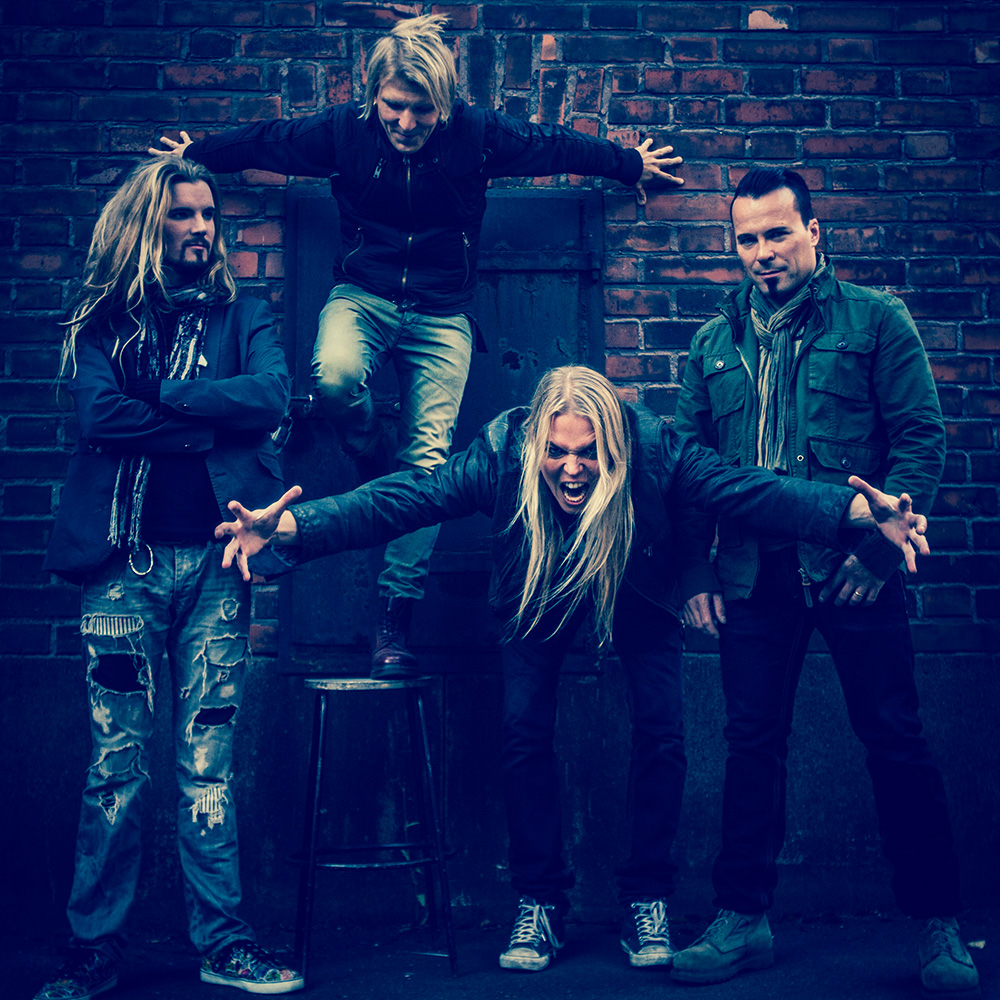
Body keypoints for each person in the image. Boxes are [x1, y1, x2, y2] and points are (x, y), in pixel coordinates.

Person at [211, 365, 929, 975]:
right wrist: (293, 526)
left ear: (614, 444)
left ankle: (646, 898)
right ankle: (540, 901)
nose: (572, 468)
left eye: (589, 453)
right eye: (556, 452)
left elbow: (749, 490)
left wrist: (857, 513)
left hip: (636, 581)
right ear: (536, 444)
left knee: (662, 731)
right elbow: (406, 499)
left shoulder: (655, 446)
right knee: (524, 730)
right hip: (539, 586)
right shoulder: (501, 450)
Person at [149, 14, 685, 680]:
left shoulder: (477, 136)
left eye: (422, 110)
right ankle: (368, 445)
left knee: (427, 465)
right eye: (394, 107)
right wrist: (196, 155)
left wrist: (629, 164)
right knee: (335, 377)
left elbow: (553, 146)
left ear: (446, 104)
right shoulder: (343, 133)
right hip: (363, 294)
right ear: (374, 95)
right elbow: (270, 142)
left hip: (441, 312)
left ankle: (393, 616)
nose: (406, 123)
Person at [670, 167, 979, 999]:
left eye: (777, 233)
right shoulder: (712, 342)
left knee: (895, 739)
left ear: (814, 232)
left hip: (853, 570)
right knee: (750, 744)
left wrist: (880, 549)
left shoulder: (876, 321)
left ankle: (938, 922)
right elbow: (688, 465)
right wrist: (694, 567)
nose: (762, 252)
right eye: (747, 239)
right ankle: (742, 919)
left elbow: (920, 439)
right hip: (752, 571)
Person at [36, 157, 303, 999]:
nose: (201, 229)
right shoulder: (103, 320)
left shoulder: (243, 313)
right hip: (123, 569)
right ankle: (93, 949)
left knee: (207, 763)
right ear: (147, 224)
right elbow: (97, 414)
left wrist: (166, 397)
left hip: (220, 568)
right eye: (182, 215)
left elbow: (271, 395)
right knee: (117, 766)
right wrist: (209, 421)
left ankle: (224, 944)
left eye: (208, 214)